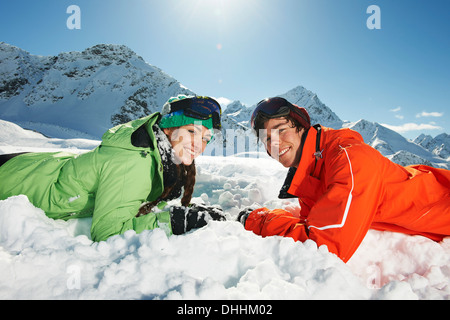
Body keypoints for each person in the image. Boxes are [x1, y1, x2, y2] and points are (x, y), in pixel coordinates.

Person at [237, 97, 450, 263]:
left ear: (301, 127)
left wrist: (258, 221)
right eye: (267, 139)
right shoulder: (312, 174)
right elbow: (310, 225)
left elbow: (322, 248)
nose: (275, 142)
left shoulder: (350, 159)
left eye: (281, 130)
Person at [0, 95, 226, 242]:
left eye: (206, 138)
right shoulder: (133, 162)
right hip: (14, 179)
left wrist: (184, 212)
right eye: (192, 132)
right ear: (168, 129)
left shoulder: (154, 151)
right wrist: (174, 221)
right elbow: (108, 232)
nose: (200, 145)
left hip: (32, 167)